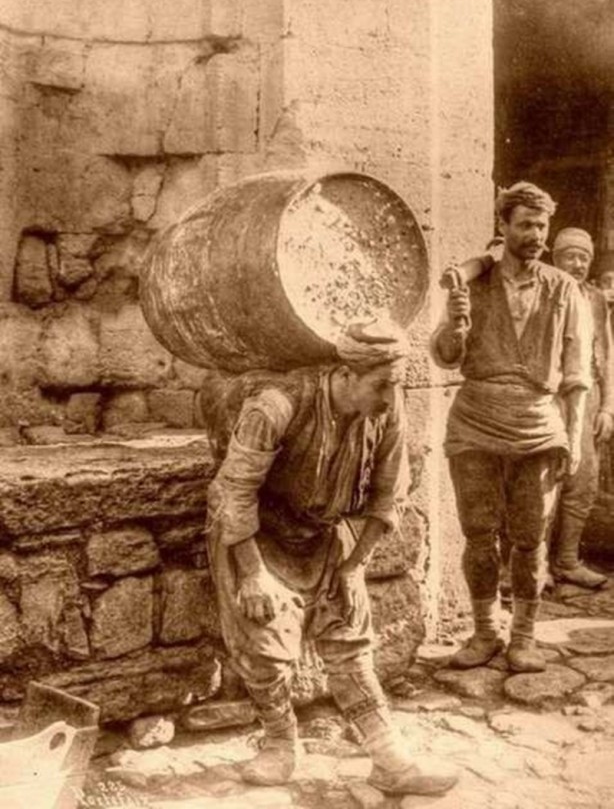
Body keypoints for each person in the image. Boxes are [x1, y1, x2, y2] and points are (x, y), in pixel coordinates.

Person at [200, 324, 459, 796]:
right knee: (266, 645)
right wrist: (253, 574)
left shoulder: (386, 408)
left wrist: (354, 564)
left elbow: (389, 494)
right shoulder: (276, 405)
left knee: (350, 639)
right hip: (258, 535)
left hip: (323, 532)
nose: (388, 396)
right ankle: (280, 744)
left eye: (394, 384)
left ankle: (389, 759)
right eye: (379, 384)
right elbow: (233, 492)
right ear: (345, 374)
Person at [431, 182, 592, 673]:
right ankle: (485, 633)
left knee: (529, 538)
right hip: (476, 419)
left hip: (537, 425)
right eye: (525, 225)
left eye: (541, 226)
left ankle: (523, 638)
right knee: (478, 534)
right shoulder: (472, 285)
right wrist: (454, 330)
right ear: (502, 227)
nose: (536, 235)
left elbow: (576, 371)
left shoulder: (563, 289)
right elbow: (443, 357)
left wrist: (575, 435)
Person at [549, 228, 613, 588]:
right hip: (551, 396)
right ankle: (535, 566)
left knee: (583, 481)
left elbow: (607, 351)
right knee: (544, 483)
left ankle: (568, 561)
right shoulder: (543, 291)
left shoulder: (594, 299)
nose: (576, 264)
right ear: (554, 259)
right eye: (568, 256)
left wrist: (608, 407)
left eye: (582, 257)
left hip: (586, 399)